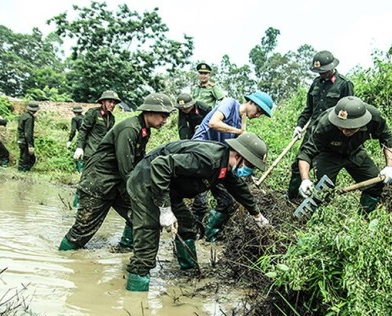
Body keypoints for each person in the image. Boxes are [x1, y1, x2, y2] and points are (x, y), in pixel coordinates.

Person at [125, 132, 270, 291]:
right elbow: (160, 165)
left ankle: (189, 274)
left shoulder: (224, 164)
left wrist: (257, 215)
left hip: (170, 189)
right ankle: (136, 290)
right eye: (250, 166)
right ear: (238, 155)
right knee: (148, 239)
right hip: (147, 182)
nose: (250, 171)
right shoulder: (208, 159)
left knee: (187, 226)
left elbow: (239, 189)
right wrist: (165, 209)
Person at [58, 93, 175, 251]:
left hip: (117, 183)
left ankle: (124, 248)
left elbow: (138, 163)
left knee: (139, 214)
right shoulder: (130, 129)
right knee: (81, 231)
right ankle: (63, 257)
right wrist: (142, 191)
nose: (165, 121)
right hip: (98, 183)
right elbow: (126, 169)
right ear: (150, 112)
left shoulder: (143, 130)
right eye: (163, 116)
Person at [191, 91, 273, 241]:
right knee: (200, 200)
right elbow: (213, 123)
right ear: (251, 103)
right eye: (259, 111)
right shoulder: (230, 103)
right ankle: (189, 235)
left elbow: (241, 150)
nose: (257, 116)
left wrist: (258, 156)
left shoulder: (242, 120)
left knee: (226, 201)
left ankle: (209, 239)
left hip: (218, 164)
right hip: (200, 155)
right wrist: (239, 131)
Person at [297, 96, 392, 215]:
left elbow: (386, 138)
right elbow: (306, 153)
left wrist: (390, 166)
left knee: (375, 183)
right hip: (328, 154)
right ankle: (310, 220)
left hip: (355, 151)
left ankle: (364, 218)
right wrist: (305, 180)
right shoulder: (325, 124)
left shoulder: (374, 117)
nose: (346, 132)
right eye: (341, 127)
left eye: (351, 128)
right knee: (323, 191)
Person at [287, 50, 354, 202]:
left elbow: (350, 112)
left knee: (322, 168)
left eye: (323, 71)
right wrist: (299, 125)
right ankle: (292, 199)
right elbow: (308, 109)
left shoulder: (344, 84)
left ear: (331, 67)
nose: (320, 74)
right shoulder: (316, 84)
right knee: (299, 163)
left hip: (332, 134)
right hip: (312, 132)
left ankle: (321, 202)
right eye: (318, 72)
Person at [71, 91, 120, 207]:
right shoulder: (93, 113)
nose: (112, 105)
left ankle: (91, 203)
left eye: (114, 103)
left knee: (98, 181)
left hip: (102, 154)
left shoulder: (111, 118)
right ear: (103, 102)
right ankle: (77, 205)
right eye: (110, 102)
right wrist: (79, 148)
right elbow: (83, 131)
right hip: (90, 153)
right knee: (85, 179)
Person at [17, 101, 40, 172]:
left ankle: (22, 172)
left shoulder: (23, 115)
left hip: (20, 139)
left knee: (24, 157)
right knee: (28, 159)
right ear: (35, 110)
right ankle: (23, 172)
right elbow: (28, 132)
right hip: (25, 141)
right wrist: (30, 145)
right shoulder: (30, 118)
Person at [66, 105, 85, 171]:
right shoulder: (85, 117)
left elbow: (73, 131)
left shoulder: (75, 119)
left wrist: (69, 140)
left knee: (79, 156)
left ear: (74, 112)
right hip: (89, 138)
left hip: (81, 138)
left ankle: (80, 170)